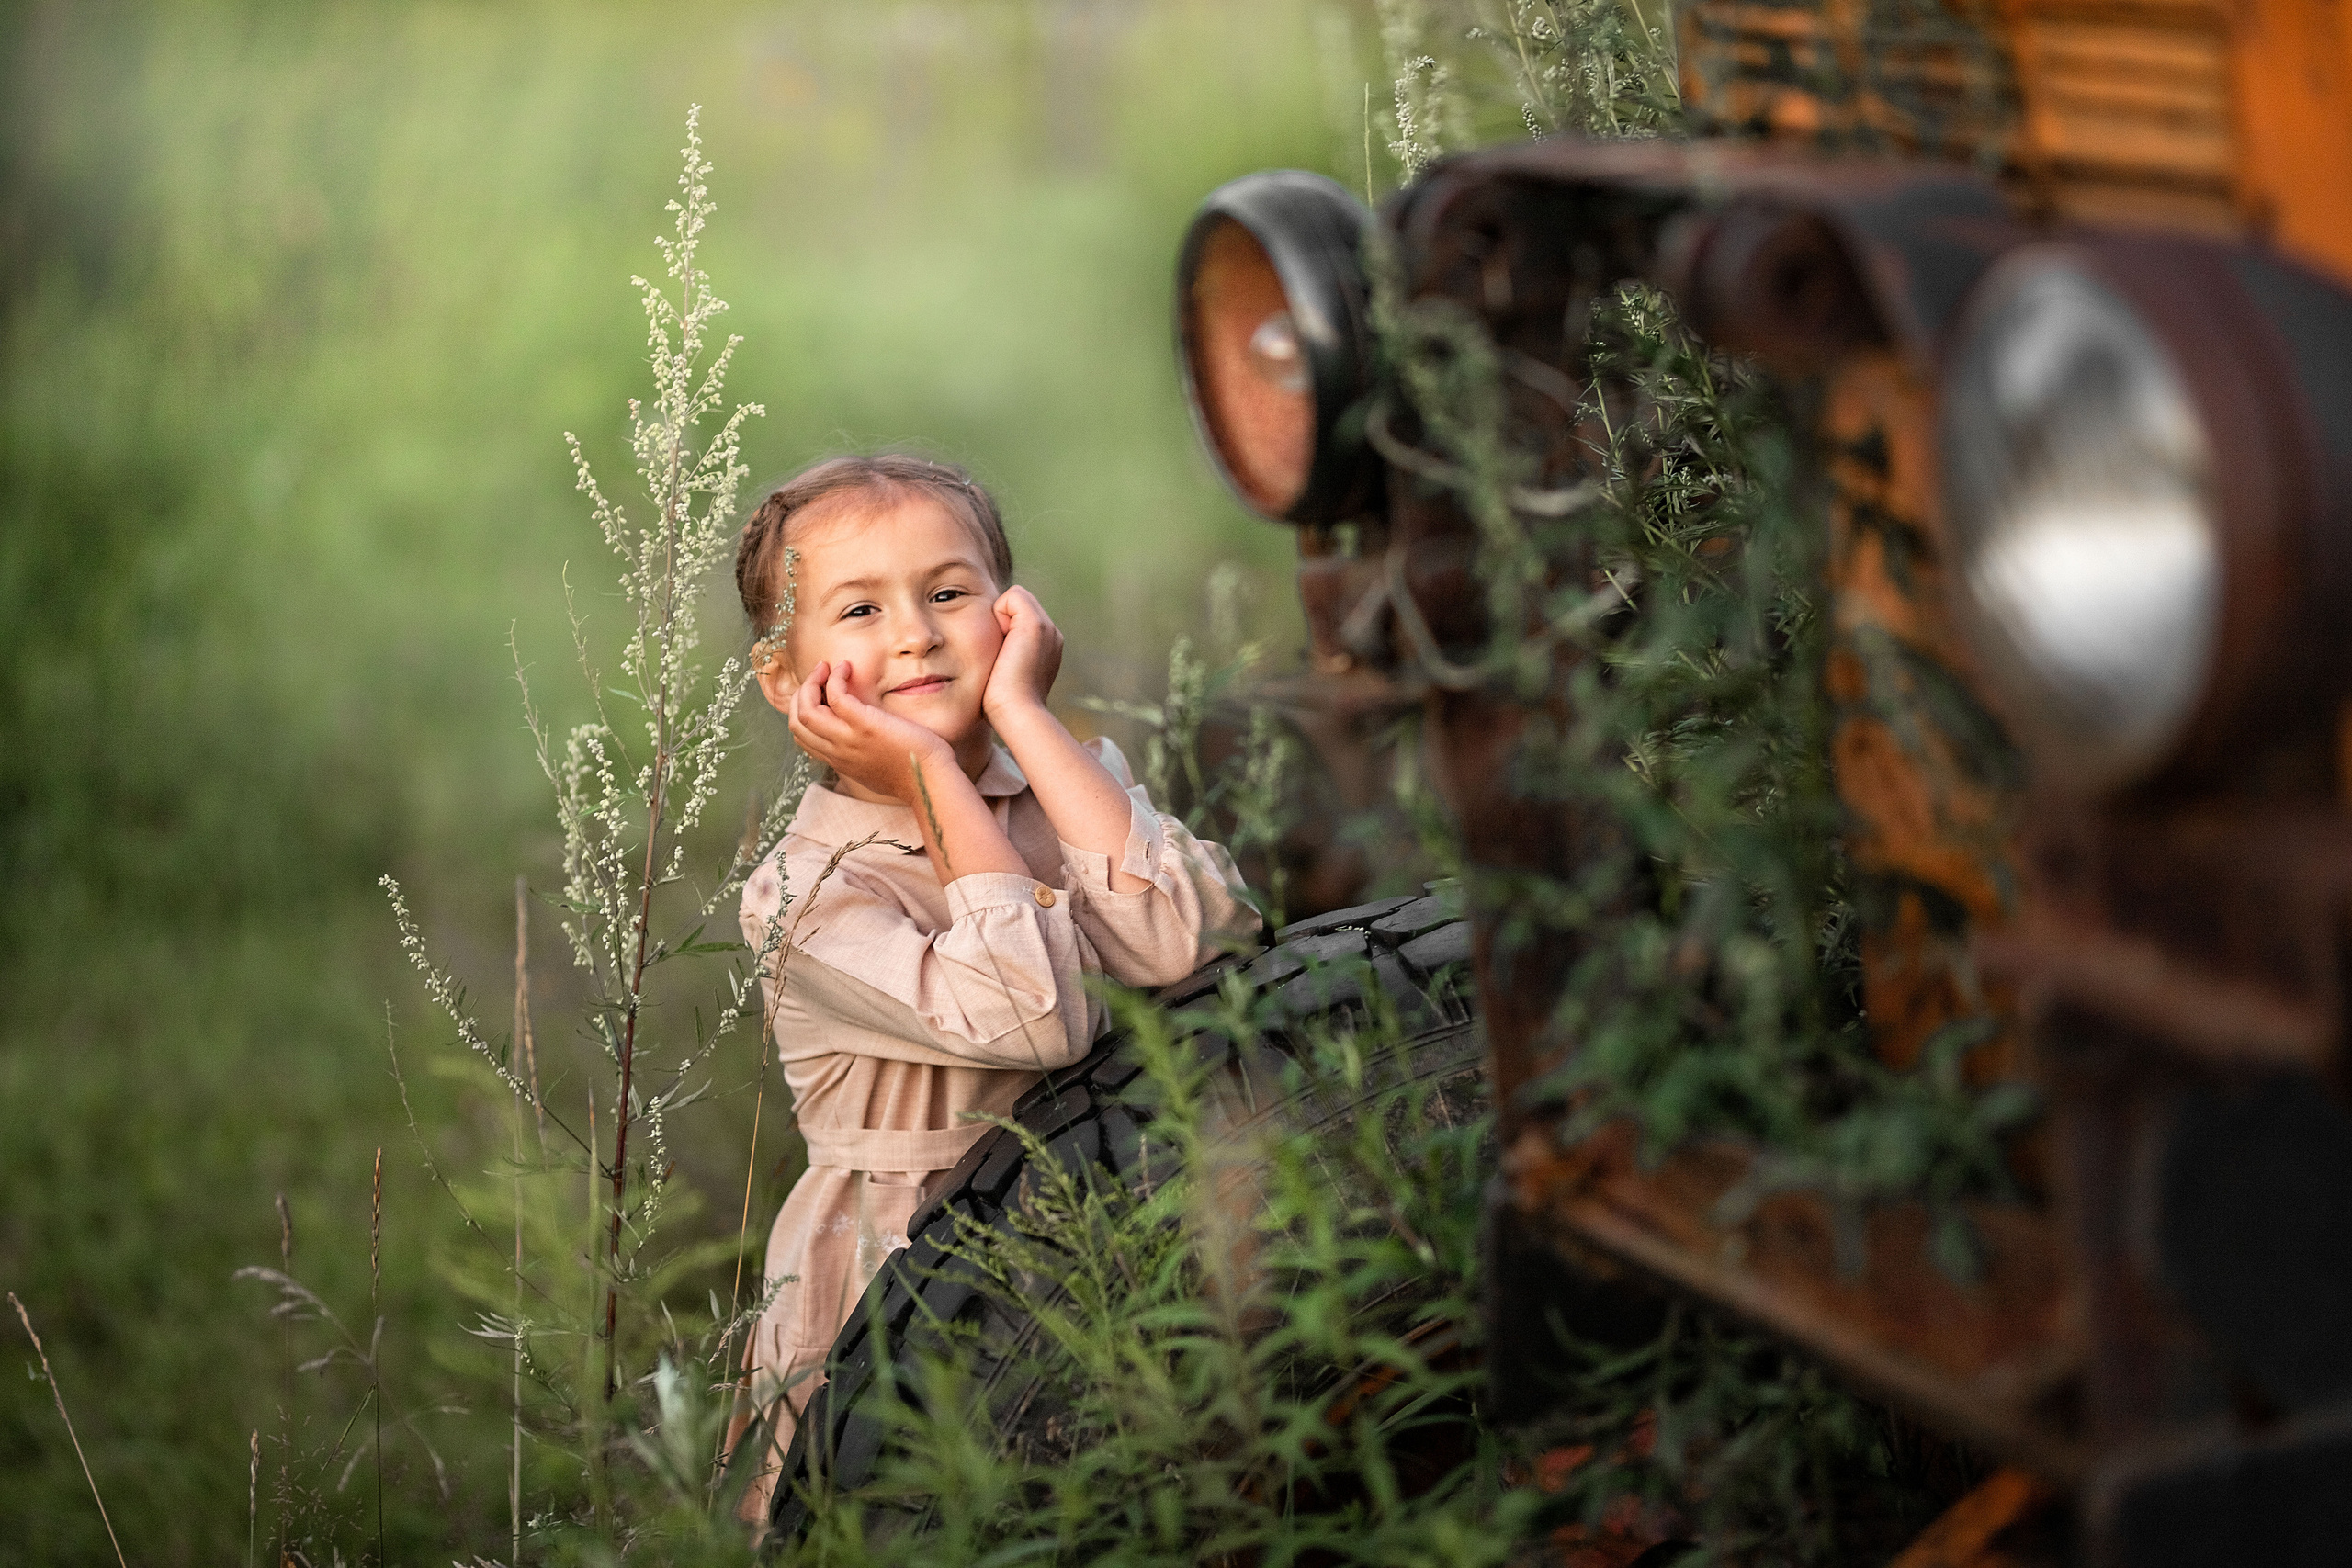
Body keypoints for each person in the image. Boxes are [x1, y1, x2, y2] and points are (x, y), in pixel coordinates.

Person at [725, 454, 1257, 1525]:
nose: (916, 635)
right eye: (860, 609)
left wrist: (1024, 715)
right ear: (784, 677)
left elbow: (1192, 944)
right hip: (905, 1272)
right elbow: (1030, 1017)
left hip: (1112, 1222)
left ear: (1013, 614)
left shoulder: (1060, 782)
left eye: (948, 593)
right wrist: (930, 775)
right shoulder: (803, 890)